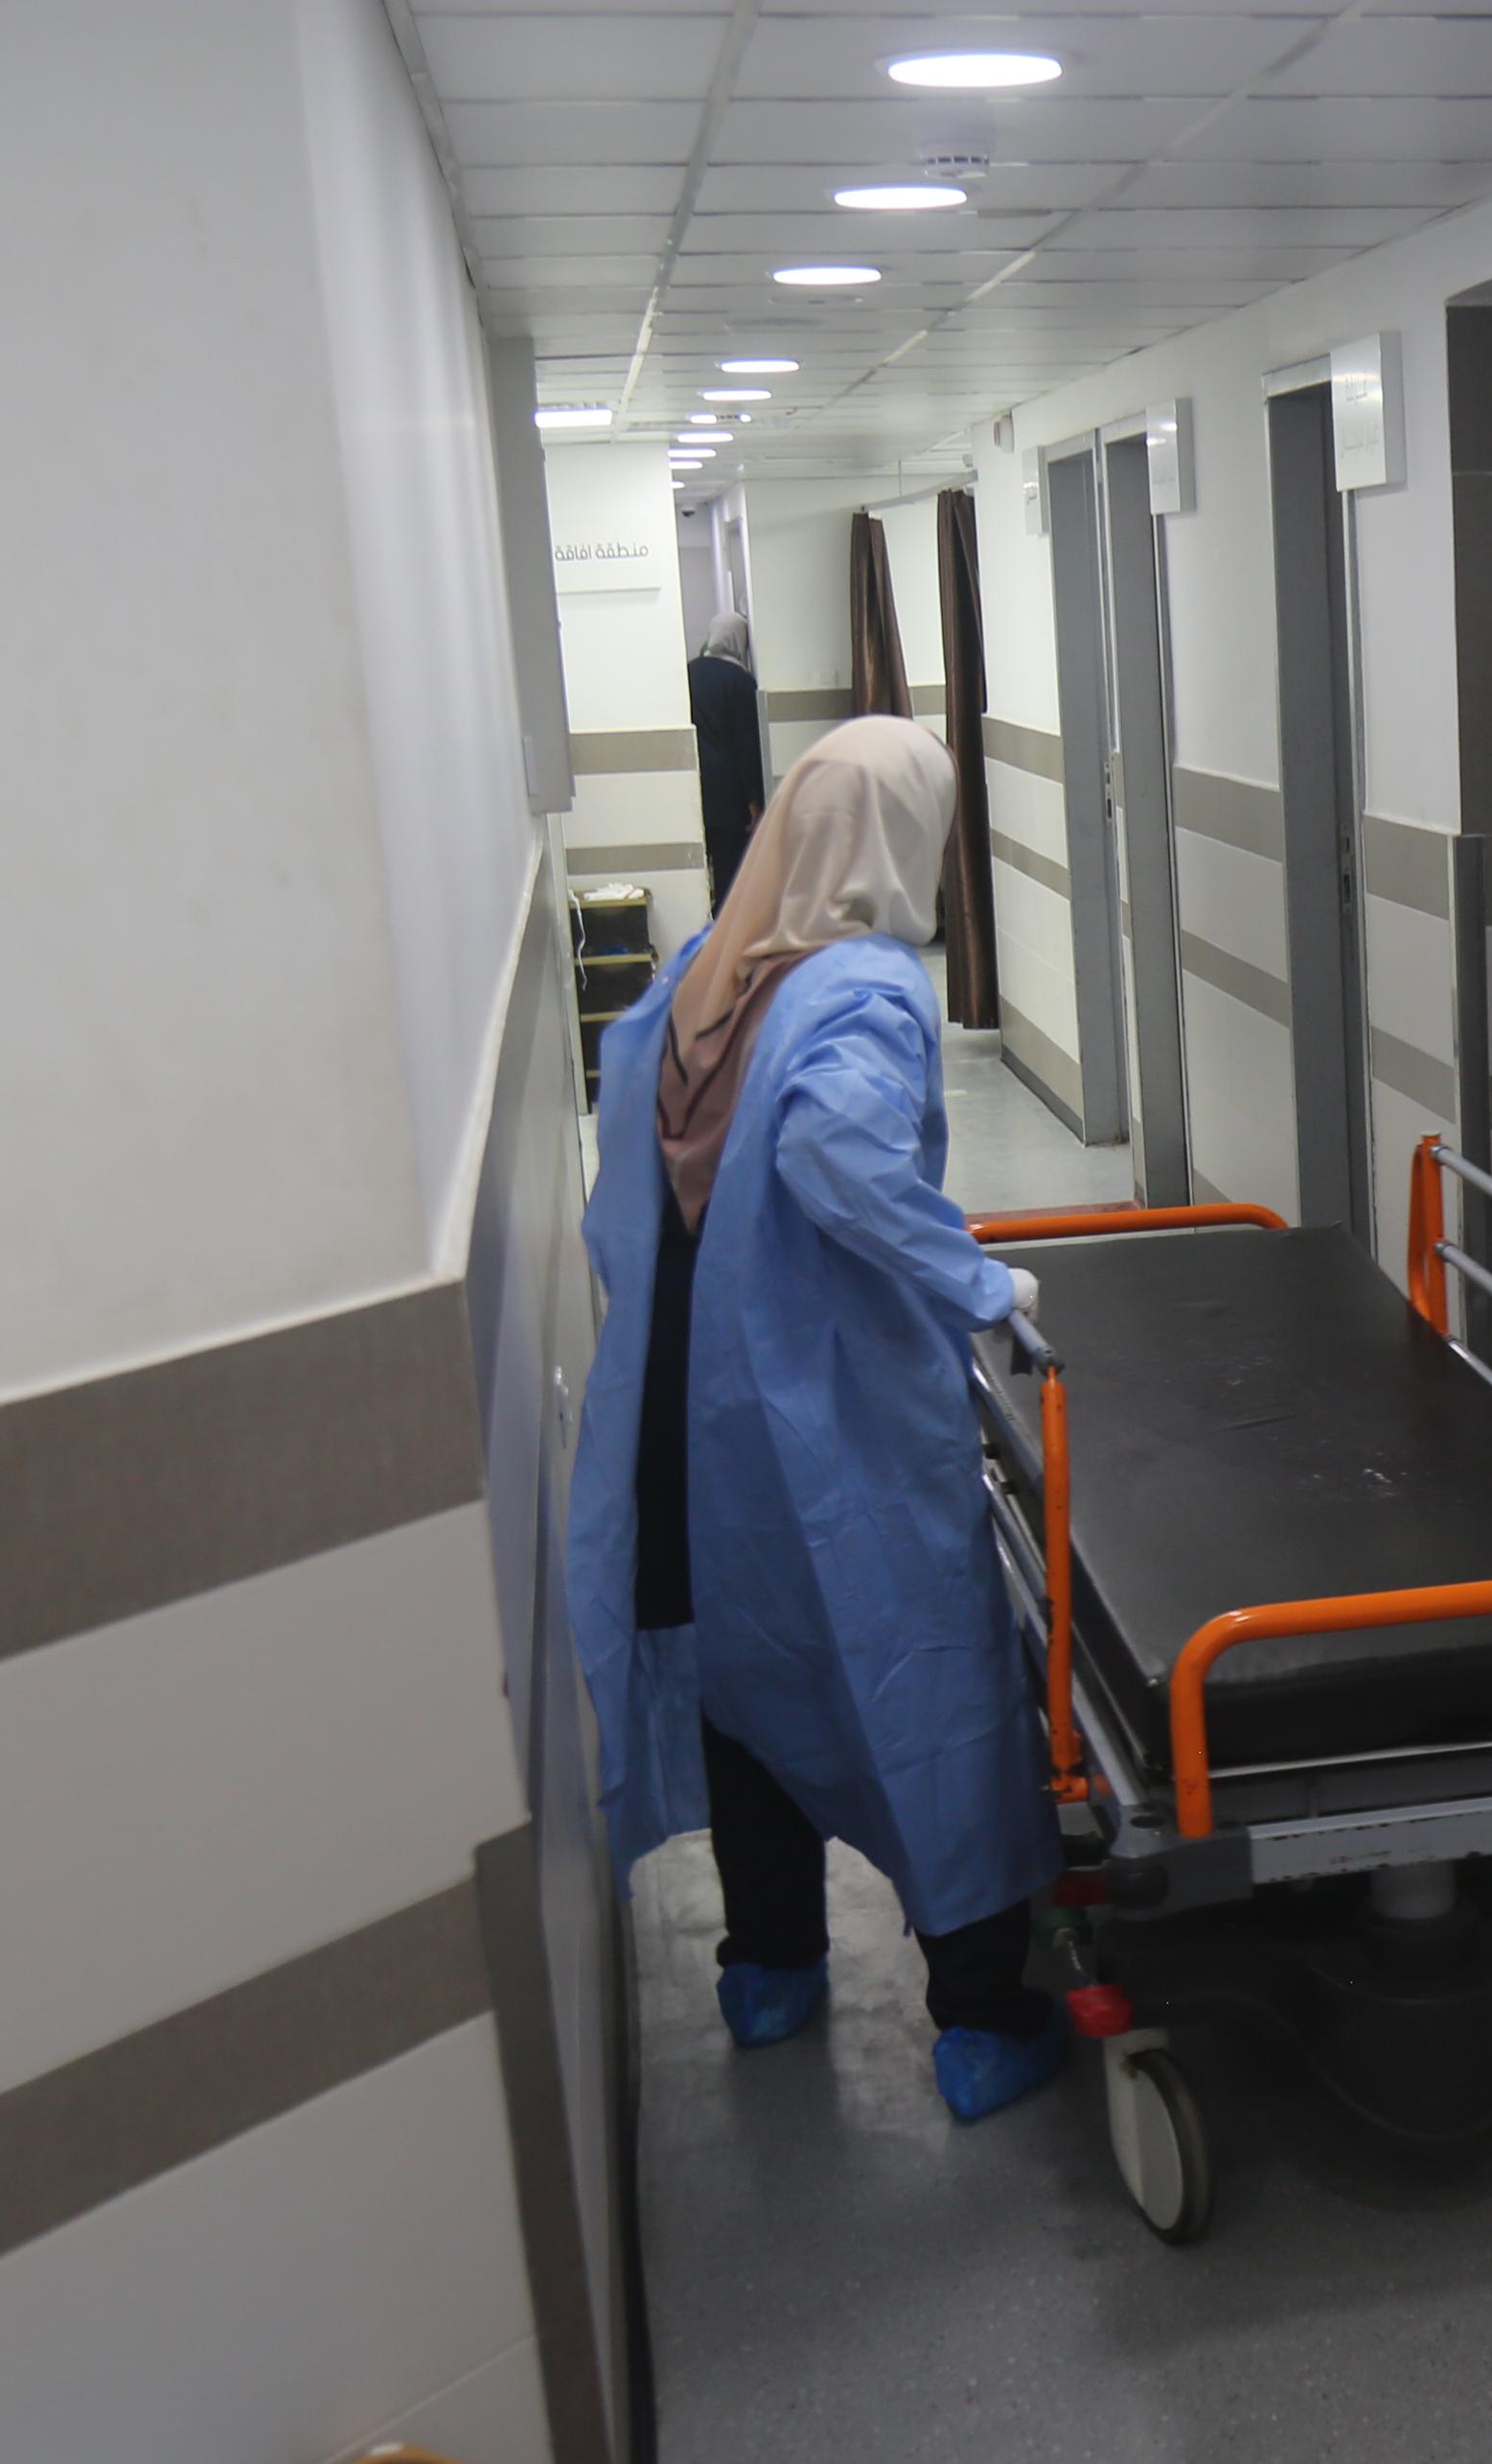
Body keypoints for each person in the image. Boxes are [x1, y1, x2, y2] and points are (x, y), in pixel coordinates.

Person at [564, 717, 1067, 2123]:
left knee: (745, 1678)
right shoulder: (862, 987)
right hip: (813, 1407)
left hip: (685, 1404)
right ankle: (982, 2015)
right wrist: (975, 1281)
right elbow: (836, 1151)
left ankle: (769, 1968)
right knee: (916, 1667)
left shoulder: (704, 971)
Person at [685, 610, 766, 907]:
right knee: (729, 870)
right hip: (729, 793)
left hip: (693, 783)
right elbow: (746, 745)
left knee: (696, 866)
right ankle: (726, 923)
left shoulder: (688, 673)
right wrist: (754, 800)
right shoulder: (740, 681)